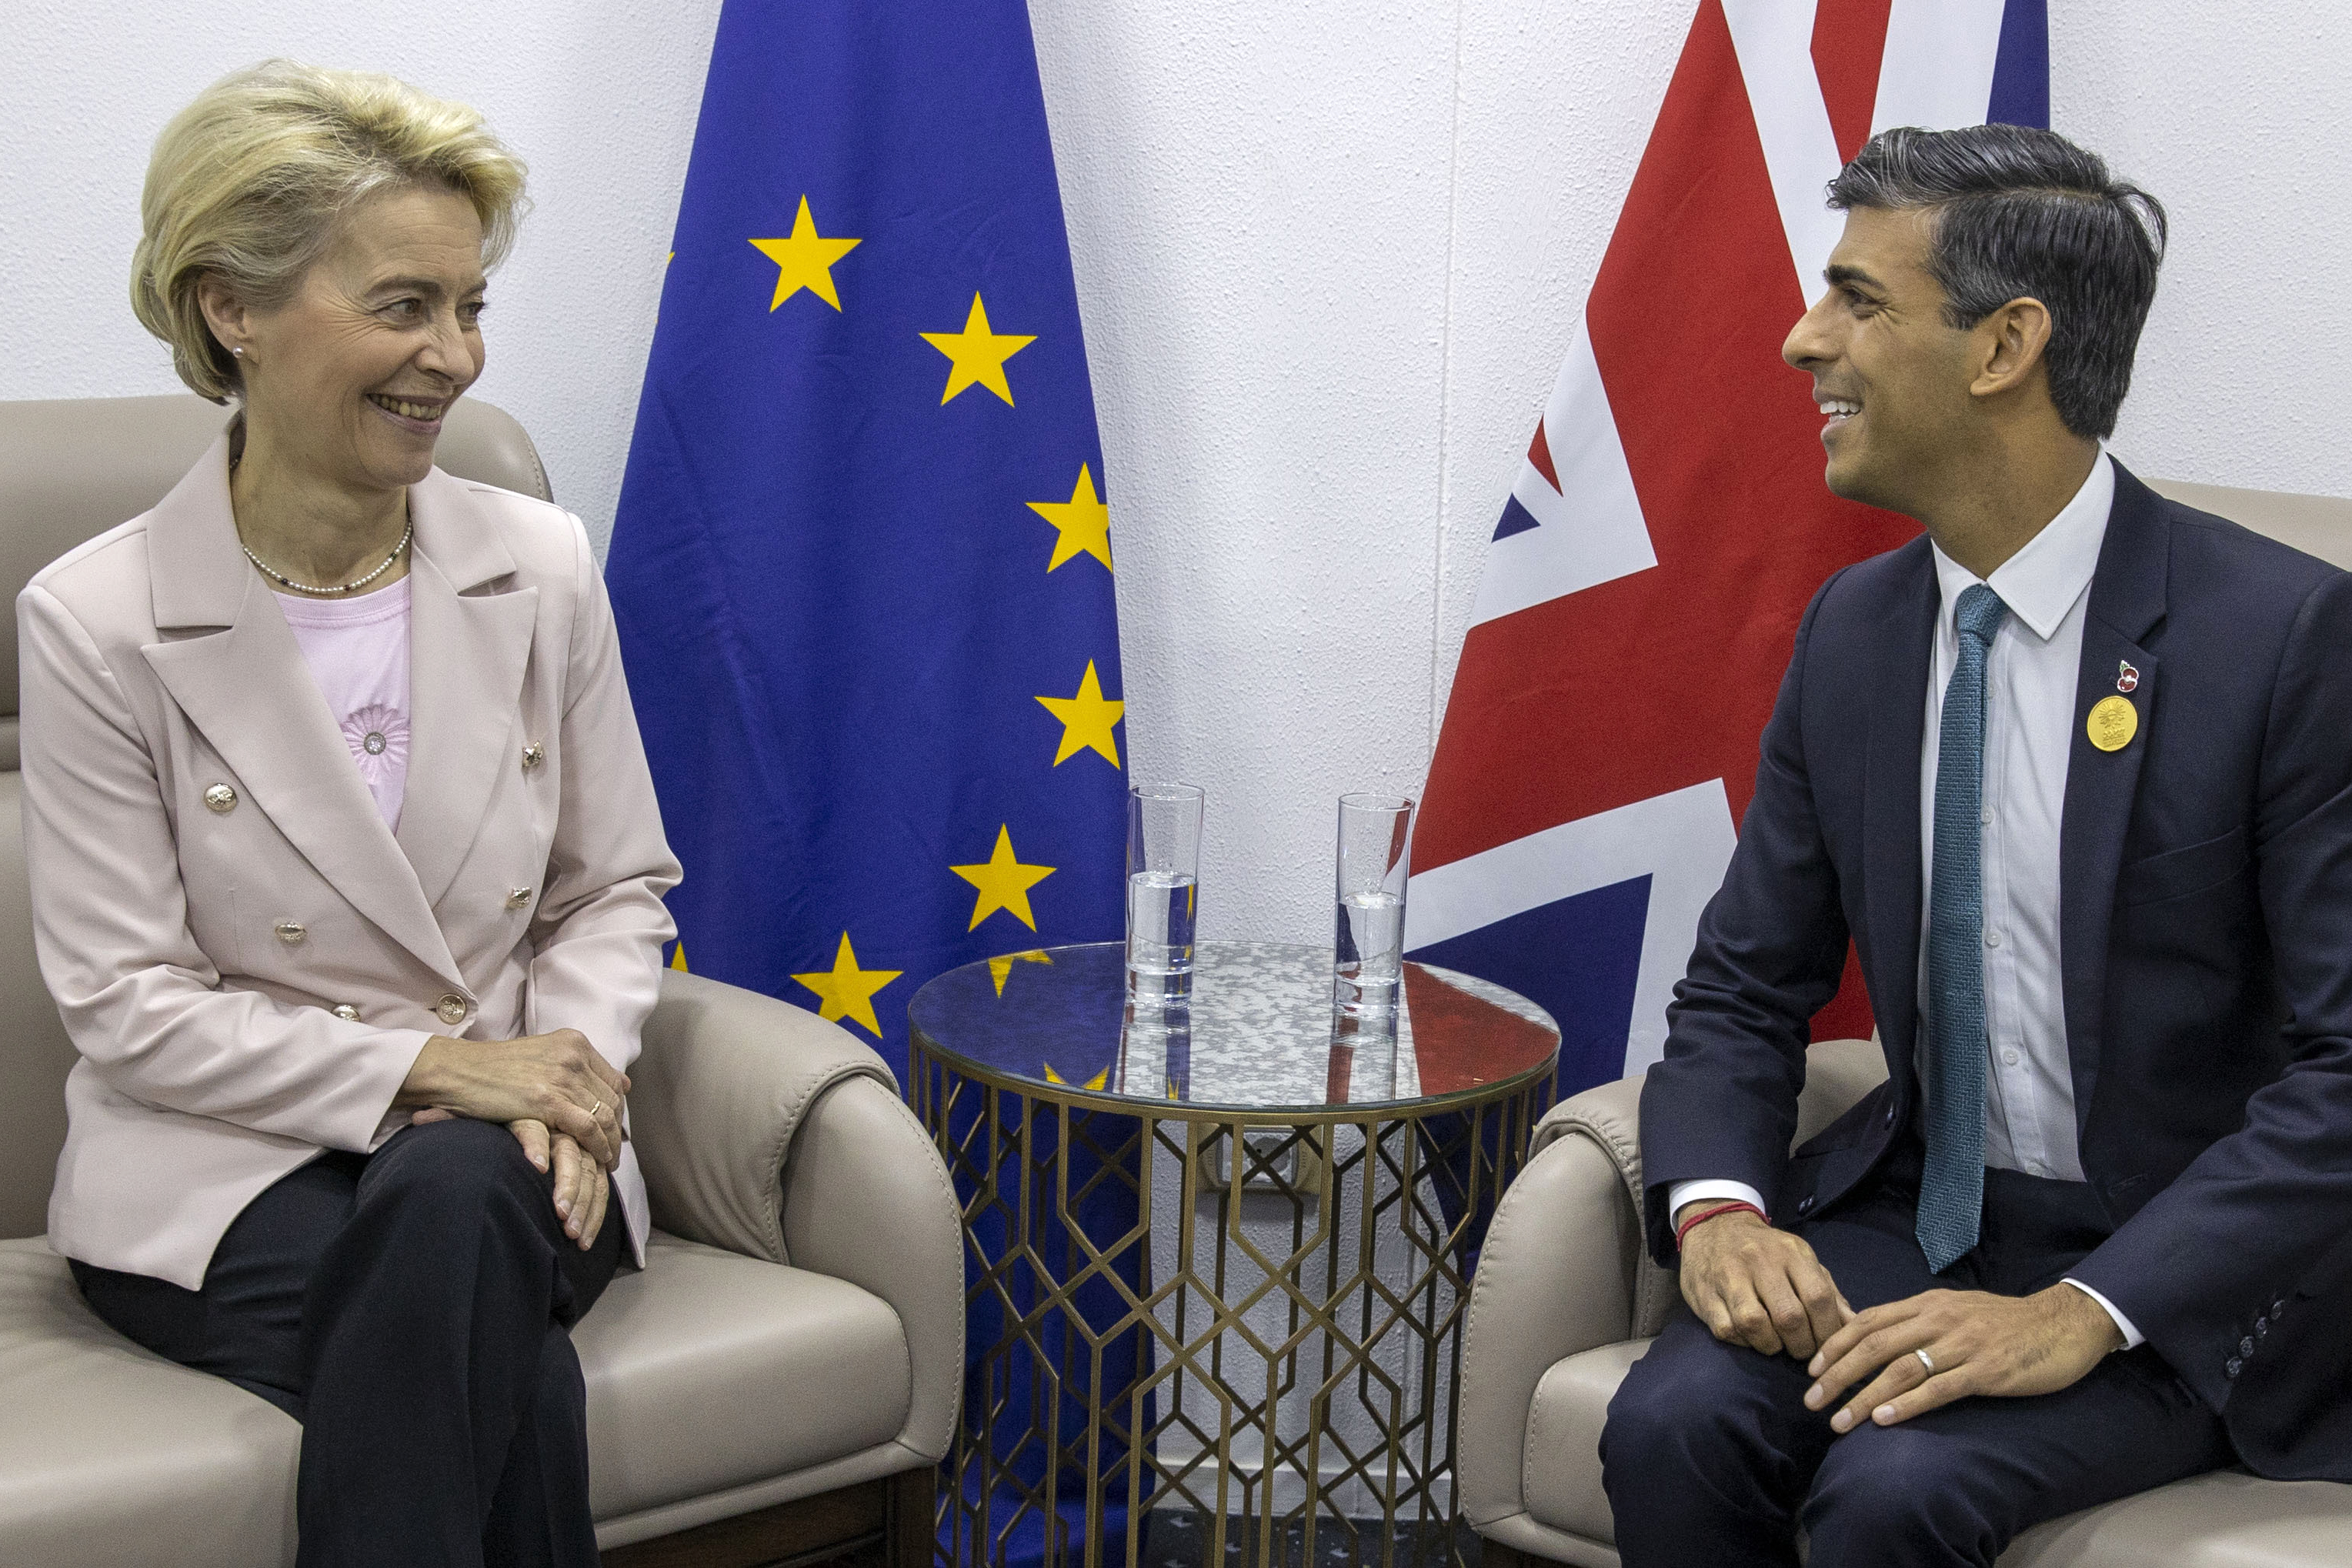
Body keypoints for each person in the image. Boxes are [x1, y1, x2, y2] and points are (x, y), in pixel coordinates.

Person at [1599, 123, 2352, 1565]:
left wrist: (2080, 1313)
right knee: (1668, 1423)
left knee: (1895, 1493)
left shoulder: (2287, 640)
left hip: (2171, 1268)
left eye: (1858, 303)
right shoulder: (1854, 633)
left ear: (2005, 345)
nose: (1798, 342)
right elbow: (1743, 988)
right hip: (1924, 1217)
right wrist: (1716, 1212)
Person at [21, 60, 679, 1566]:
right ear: (226, 309)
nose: (453, 356)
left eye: (470, 307)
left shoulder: (540, 563)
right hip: (221, 1171)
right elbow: (127, 1005)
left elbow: (612, 891)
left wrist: (567, 1079)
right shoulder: (96, 617)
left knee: (452, 1200)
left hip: (513, 1153)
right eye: (403, 305)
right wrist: (453, 1069)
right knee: (498, 1342)